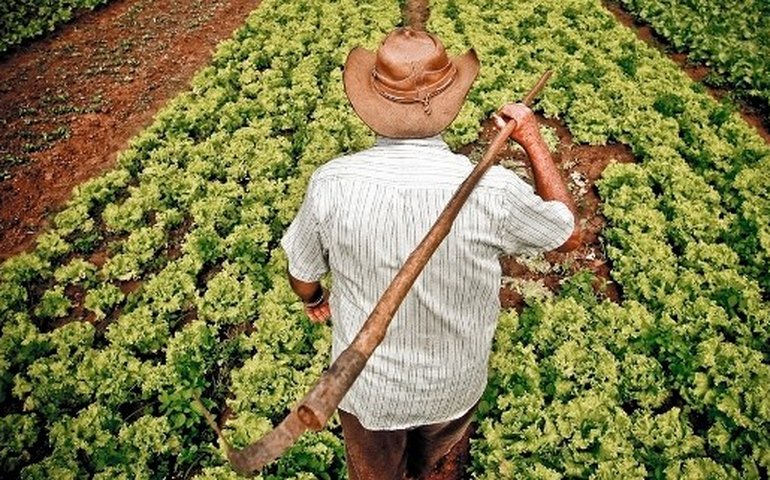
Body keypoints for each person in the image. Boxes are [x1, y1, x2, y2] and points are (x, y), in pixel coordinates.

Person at [280, 22, 580, 480]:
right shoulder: (493, 190)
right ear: (450, 104)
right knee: (441, 467)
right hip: (452, 387)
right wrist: (532, 140)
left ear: (370, 103)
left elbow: (302, 273)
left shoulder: (332, 184)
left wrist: (315, 299)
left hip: (368, 392)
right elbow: (565, 230)